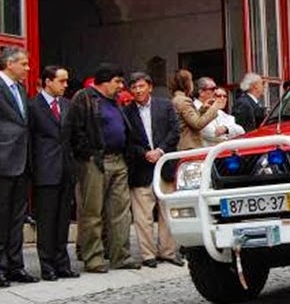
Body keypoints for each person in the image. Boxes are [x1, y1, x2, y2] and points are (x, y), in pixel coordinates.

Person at [63, 63, 138, 273]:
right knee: (92, 212)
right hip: (95, 161)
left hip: (119, 159)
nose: (121, 86)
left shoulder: (114, 101)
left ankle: (120, 255)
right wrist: (86, 153)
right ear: (104, 82)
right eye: (117, 81)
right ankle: (93, 257)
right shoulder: (84, 97)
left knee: (121, 212)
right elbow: (74, 130)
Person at [0, 46, 35, 287]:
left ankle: (15, 265)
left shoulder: (20, 89)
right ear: (9, 63)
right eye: (24, 64)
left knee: (16, 219)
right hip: (0, 162)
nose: (28, 68)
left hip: (21, 161)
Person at [123, 72, 182, 267]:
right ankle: (148, 254)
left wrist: (160, 150)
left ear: (150, 87)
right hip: (141, 168)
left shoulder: (165, 106)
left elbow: (175, 131)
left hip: (165, 165)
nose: (138, 90)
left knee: (167, 212)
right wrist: (144, 153)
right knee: (143, 216)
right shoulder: (126, 112)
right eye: (134, 87)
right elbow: (127, 141)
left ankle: (168, 251)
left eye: (141, 86)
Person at [29, 65, 80, 281]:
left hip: (65, 170)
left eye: (66, 81)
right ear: (48, 82)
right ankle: (47, 264)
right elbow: (30, 141)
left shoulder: (67, 105)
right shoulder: (33, 106)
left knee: (62, 220)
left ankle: (62, 263)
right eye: (61, 81)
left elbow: (73, 137)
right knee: (47, 220)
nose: (65, 85)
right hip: (45, 170)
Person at [170, 69, 221, 151]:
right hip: (188, 147)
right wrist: (214, 108)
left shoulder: (178, 99)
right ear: (187, 84)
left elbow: (189, 120)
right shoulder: (183, 101)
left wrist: (203, 109)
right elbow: (197, 124)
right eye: (191, 81)